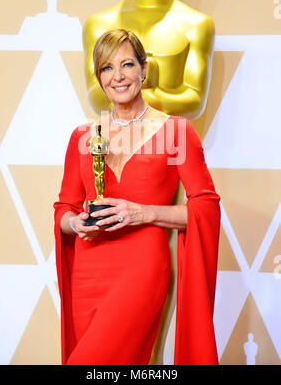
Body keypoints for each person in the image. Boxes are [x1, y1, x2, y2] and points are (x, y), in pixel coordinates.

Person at [53, 29, 220, 365]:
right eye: (107, 68)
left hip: (141, 270)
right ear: (98, 77)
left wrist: (141, 213)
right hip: (88, 275)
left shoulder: (176, 131)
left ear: (144, 69)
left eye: (127, 64)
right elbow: (63, 211)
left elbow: (204, 209)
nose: (118, 76)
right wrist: (76, 222)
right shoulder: (84, 136)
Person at [83, 0, 214, 120]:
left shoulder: (196, 25)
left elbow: (195, 101)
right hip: (117, 144)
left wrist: (135, 95)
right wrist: (151, 95)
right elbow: (95, 96)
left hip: (172, 145)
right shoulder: (98, 24)